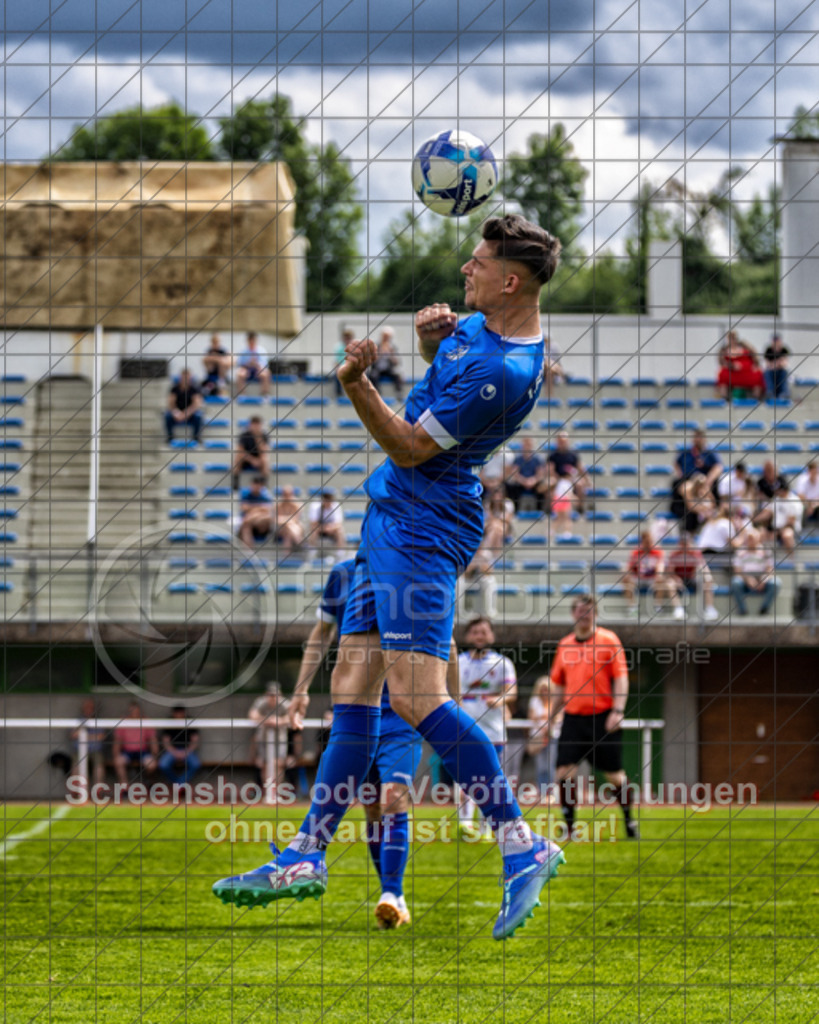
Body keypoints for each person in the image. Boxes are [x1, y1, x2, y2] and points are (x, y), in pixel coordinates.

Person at [212, 213, 566, 941]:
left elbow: (408, 445)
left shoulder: (505, 371)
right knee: (352, 689)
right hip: (390, 520)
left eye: (475, 263)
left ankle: (521, 843)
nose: (462, 271)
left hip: (420, 523)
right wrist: (434, 345)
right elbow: (442, 384)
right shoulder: (477, 334)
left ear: (509, 280)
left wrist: (354, 382)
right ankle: (305, 856)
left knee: (413, 698)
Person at [288, 558, 452, 930]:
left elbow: (447, 640)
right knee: (372, 808)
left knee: (394, 794)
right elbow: (321, 634)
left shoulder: (417, 570)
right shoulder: (343, 574)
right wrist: (300, 690)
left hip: (401, 710)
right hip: (358, 711)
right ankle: (393, 893)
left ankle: (391, 894)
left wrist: (447, 705)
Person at [549, 595, 638, 840]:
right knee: (564, 771)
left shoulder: (609, 640)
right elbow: (558, 683)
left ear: (595, 614)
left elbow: (621, 677)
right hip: (573, 718)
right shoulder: (564, 644)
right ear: (573, 614)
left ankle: (630, 823)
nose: (584, 615)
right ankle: (569, 827)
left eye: (588, 611)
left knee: (613, 774)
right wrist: (551, 716)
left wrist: (618, 710)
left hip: (602, 717)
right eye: (579, 611)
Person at [457, 617, 517, 839]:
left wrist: (499, 700)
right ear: (467, 636)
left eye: (483, 632)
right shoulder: (458, 662)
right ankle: (465, 824)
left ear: (491, 636)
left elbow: (512, 691)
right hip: (465, 729)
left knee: (492, 780)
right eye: (475, 632)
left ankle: (486, 827)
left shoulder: (502, 663)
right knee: (466, 778)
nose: (479, 636)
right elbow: (447, 691)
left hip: (493, 730)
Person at [623, 530, 682, 618]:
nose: (649, 544)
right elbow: (629, 566)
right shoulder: (636, 552)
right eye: (647, 542)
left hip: (652, 578)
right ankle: (632, 608)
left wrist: (659, 574)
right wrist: (626, 574)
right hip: (639, 577)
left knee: (660, 580)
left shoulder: (657, 551)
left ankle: (657, 606)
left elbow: (660, 565)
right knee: (627, 581)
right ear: (642, 541)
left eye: (650, 541)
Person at [249, 683, 290, 800]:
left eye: (275, 695)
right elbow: (252, 715)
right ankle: (268, 793)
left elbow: (293, 716)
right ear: (266, 695)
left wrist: (280, 721)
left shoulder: (285, 703)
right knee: (265, 765)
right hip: (264, 739)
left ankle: (276, 792)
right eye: (270, 695)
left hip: (280, 739)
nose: (272, 698)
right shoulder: (261, 702)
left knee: (279, 764)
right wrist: (267, 720)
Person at [666, 532, 719, 621]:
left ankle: (710, 609)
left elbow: (702, 566)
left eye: (686, 543)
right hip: (679, 579)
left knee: (707, 582)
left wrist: (708, 578)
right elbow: (670, 572)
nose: (685, 546)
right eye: (683, 544)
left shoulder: (695, 553)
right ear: (680, 544)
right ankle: (678, 610)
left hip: (691, 578)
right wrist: (676, 579)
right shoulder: (674, 554)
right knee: (670, 584)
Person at [731, 528, 781, 615]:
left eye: (752, 538)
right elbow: (737, 570)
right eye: (749, 538)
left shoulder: (766, 551)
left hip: (762, 577)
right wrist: (748, 579)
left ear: (758, 538)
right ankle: (742, 610)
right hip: (745, 578)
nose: (750, 540)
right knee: (735, 582)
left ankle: (764, 609)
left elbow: (770, 569)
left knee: (776, 583)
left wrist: (763, 579)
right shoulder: (740, 552)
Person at [539, 431, 587, 515]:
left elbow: (580, 468)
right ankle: (549, 509)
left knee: (580, 484)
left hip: (571, 478)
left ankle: (580, 508)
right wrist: (560, 479)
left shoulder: (573, 455)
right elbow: (551, 471)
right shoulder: (552, 456)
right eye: (560, 441)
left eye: (564, 441)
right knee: (549, 483)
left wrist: (587, 480)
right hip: (557, 478)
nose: (562, 443)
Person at [113, 701, 158, 791]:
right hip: (127, 751)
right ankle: (125, 788)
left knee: (151, 764)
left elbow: (152, 739)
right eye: (132, 711)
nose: (134, 713)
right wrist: (115, 754)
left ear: (140, 711)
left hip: (143, 751)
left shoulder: (145, 721)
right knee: (118, 762)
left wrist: (155, 753)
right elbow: (118, 740)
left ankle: (146, 781)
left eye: (136, 711)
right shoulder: (124, 721)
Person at [527, 677, 561, 793]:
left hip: (552, 737)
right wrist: (545, 720)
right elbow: (532, 717)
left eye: (547, 689)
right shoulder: (534, 701)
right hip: (538, 737)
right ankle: (542, 793)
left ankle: (550, 793)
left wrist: (547, 723)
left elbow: (558, 717)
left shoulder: (555, 701)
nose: (545, 692)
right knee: (541, 766)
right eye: (542, 689)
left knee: (551, 766)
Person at [158, 706, 201, 788]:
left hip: (187, 750)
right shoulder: (169, 722)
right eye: (177, 713)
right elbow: (165, 741)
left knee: (196, 764)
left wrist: (187, 751)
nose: (179, 715)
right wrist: (175, 752)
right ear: (173, 714)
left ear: (185, 713)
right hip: (172, 750)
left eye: (181, 713)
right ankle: (179, 785)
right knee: (163, 764)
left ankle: (178, 785)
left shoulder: (190, 721)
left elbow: (195, 740)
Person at [716, 329, 765, 400]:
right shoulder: (724, 349)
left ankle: (756, 398)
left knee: (758, 374)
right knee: (723, 374)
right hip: (733, 373)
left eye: (734, 338)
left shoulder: (745, 347)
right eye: (730, 338)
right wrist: (732, 366)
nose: (732, 340)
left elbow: (754, 356)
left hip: (747, 372)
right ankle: (724, 398)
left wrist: (756, 365)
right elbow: (722, 362)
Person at [71, 697, 107, 788]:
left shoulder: (98, 721)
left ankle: (97, 790)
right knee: (76, 766)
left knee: (99, 766)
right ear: (83, 708)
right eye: (86, 707)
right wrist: (92, 737)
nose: (89, 709)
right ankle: (78, 791)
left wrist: (83, 735)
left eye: (91, 707)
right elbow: (73, 735)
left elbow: (101, 737)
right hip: (79, 751)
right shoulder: (78, 720)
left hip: (95, 751)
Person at [504, 436, 545, 511]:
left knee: (542, 486)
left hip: (534, 482)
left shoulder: (537, 459)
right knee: (510, 486)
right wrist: (524, 481)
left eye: (529, 445)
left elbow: (540, 474)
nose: (527, 447)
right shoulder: (518, 459)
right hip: (521, 483)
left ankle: (539, 510)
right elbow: (515, 473)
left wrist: (533, 480)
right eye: (525, 444)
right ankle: (515, 510)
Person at [164, 368, 203, 444]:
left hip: (189, 413)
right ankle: (170, 437)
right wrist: (176, 413)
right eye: (184, 377)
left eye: (187, 377)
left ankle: (196, 437)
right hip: (177, 413)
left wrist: (186, 413)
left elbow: (196, 404)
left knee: (198, 416)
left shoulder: (194, 389)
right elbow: (171, 403)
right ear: (180, 378)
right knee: (167, 416)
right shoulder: (174, 389)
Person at [232, 416, 270, 490]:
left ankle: (264, 482)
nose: (255, 427)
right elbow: (241, 451)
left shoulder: (264, 436)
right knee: (238, 457)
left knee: (265, 459)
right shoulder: (244, 435)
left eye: (257, 425)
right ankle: (235, 481)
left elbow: (264, 451)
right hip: (246, 459)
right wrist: (252, 460)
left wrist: (257, 438)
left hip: (259, 459)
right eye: (254, 424)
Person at [307, 488, 346, 560]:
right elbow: (313, 523)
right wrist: (325, 528)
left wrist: (329, 528)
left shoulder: (336, 506)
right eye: (326, 498)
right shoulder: (315, 506)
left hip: (331, 530)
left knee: (340, 531)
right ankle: (312, 552)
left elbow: (339, 524)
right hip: (319, 530)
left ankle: (340, 554)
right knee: (313, 530)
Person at [237, 476, 274, 548]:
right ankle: (248, 553)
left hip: (260, 523)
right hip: (249, 523)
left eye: (258, 485)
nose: (255, 487)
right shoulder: (245, 495)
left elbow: (267, 509)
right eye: (254, 485)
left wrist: (252, 509)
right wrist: (259, 508)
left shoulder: (265, 496)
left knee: (265, 518)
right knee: (246, 527)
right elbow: (244, 508)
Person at [369, 327, 404, 398]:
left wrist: (391, 354)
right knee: (373, 375)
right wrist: (380, 353)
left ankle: (399, 393)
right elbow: (371, 361)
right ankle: (377, 394)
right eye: (384, 336)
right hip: (377, 369)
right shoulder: (376, 346)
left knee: (397, 375)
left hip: (388, 369)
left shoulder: (392, 347)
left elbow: (397, 363)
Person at [235, 332, 272, 396]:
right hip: (247, 369)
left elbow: (265, 364)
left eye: (253, 340)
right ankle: (242, 395)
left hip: (258, 369)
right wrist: (249, 364)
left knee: (266, 374)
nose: (251, 342)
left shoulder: (261, 350)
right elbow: (240, 364)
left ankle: (265, 394)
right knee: (240, 374)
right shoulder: (244, 351)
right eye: (250, 340)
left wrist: (256, 364)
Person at [771, 480, 802, 553]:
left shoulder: (794, 501)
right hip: (776, 529)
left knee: (787, 535)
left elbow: (791, 522)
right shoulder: (776, 499)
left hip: (791, 529)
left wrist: (779, 531)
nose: (776, 491)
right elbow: (770, 513)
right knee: (760, 534)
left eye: (778, 490)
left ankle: (792, 561)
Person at [272, 484, 305, 554]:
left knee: (287, 535)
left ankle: (286, 556)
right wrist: (288, 520)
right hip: (281, 528)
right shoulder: (278, 505)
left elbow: (296, 519)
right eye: (285, 494)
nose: (286, 496)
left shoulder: (297, 504)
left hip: (294, 527)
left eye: (288, 494)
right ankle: (299, 542)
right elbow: (277, 520)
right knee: (288, 526)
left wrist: (285, 520)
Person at [763, 333, 790, 400]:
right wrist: (777, 363)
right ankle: (770, 393)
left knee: (784, 372)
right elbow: (767, 364)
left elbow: (784, 363)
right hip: (771, 371)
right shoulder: (768, 350)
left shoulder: (784, 350)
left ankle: (784, 393)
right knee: (767, 373)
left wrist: (775, 364)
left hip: (780, 371)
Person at [793, 460, 819, 528]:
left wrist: (813, 505)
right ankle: (800, 528)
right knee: (798, 506)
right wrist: (808, 505)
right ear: (809, 472)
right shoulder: (802, 479)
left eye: (815, 472)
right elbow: (800, 495)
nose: (814, 474)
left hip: (816, 504)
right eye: (812, 472)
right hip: (805, 504)